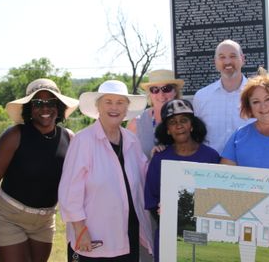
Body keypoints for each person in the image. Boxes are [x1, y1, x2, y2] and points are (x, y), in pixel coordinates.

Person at [0, 78, 79, 262]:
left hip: (44, 221)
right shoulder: (14, 136)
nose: (45, 108)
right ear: (29, 108)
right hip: (9, 217)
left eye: (51, 103)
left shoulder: (69, 138)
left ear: (58, 107)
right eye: (38, 103)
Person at [58, 79, 153, 261]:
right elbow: (70, 192)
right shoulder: (83, 141)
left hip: (127, 234)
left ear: (126, 108)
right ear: (98, 107)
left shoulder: (132, 141)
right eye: (108, 102)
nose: (114, 107)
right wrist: (80, 230)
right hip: (93, 237)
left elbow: (145, 176)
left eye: (120, 102)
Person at [144, 99, 220, 262]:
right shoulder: (159, 160)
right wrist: (171, 220)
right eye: (173, 122)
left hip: (205, 236)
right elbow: (151, 201)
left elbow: (219, 197)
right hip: (169, 237)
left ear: (192, 125)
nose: (179, 126)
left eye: (184, 120)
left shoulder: (211, 156)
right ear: (168, 130)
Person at [193, 39, 255, 154]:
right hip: (211, 167)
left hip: (249, 165)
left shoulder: (257, 95)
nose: (227, 62)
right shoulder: (201, 97)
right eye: (222, 57)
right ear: (215, 62)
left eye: (233, 56)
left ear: (243, 59)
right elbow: (195, 135)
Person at [127, 69, 184, 160]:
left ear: (175, 92)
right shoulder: (136, 123)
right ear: (149, 94)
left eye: (167, 89)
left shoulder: (186, 120)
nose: (161, 95)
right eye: (154, 89)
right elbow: (128, 158)